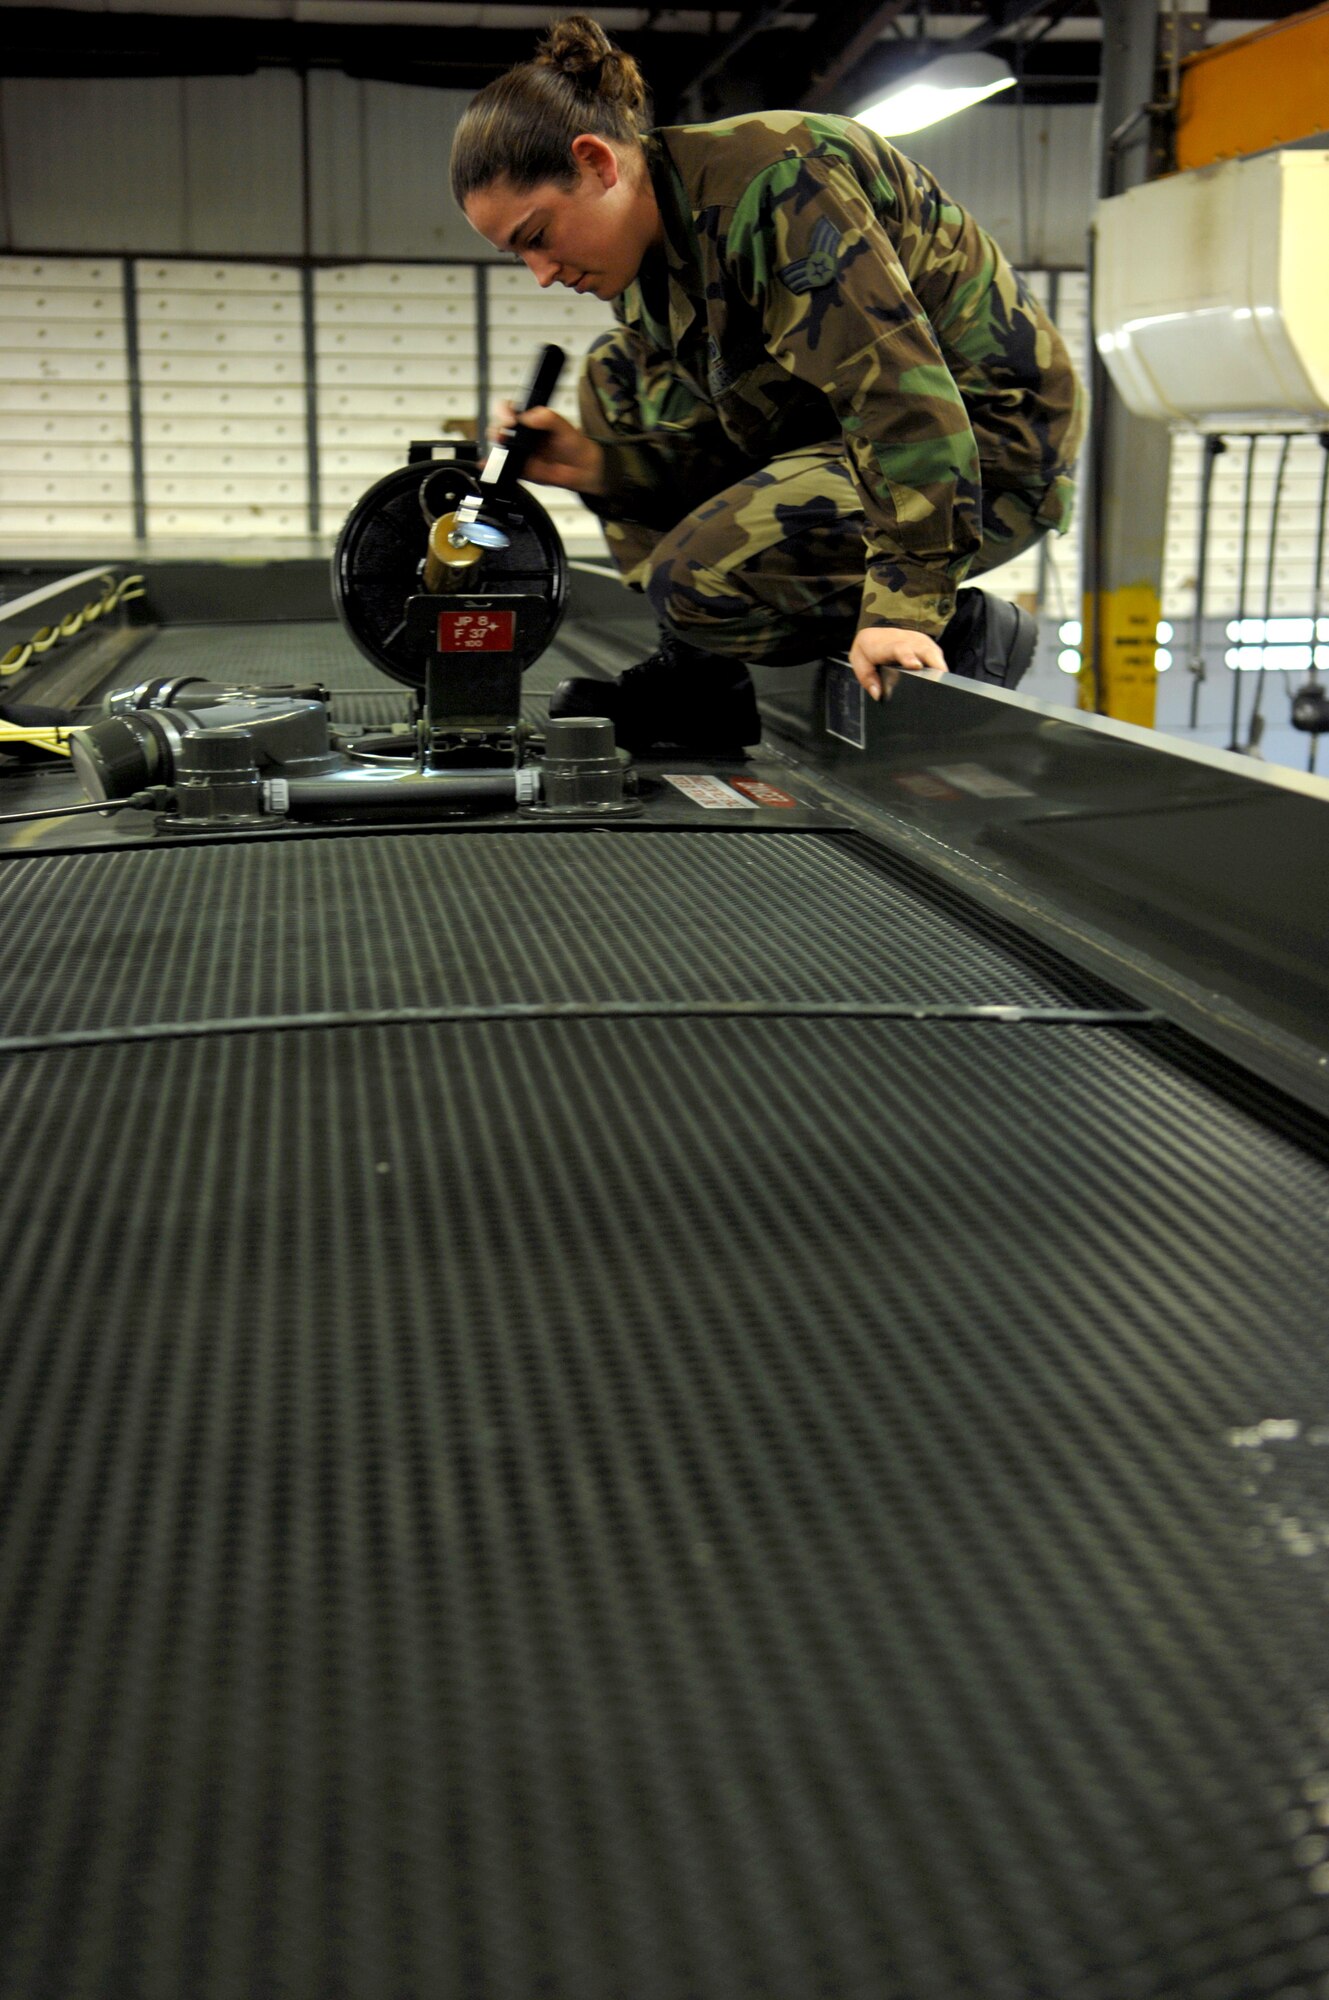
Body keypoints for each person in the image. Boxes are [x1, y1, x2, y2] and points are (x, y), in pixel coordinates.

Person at [452, 15, 1085, 755]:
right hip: (844, 436)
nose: (543, 273)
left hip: (984, 449)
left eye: (537, 235)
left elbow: (899, 401)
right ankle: (703, 685)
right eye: (516, 255)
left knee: (695, 582)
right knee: (613, 373)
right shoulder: (646, 269)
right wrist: (600, 467)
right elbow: (735, 446)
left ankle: (960, 625)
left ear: (596, 163)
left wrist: (904, 609)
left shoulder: (776, 185)